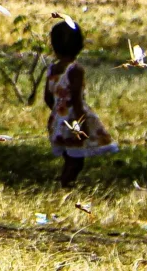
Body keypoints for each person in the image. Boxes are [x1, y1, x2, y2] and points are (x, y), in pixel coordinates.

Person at [46, 19, 118, 186]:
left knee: (68, 156)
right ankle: (65, 184)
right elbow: (77, 100)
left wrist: (58, 114)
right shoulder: (75, 70)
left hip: (58, 120)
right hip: (74, 120)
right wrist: (81, 124)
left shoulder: (52, 69)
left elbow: (48, 97)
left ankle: (64, 181)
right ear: (80, 45)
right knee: (77, 160)